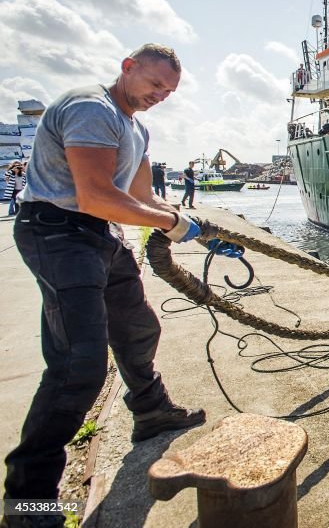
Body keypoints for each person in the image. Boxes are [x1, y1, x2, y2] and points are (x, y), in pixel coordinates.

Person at [2, 44, 208, 526]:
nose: (161, 94)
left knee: (137, 327)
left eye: (169, 90)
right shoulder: (92, 108)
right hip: (57, 231)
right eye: (155, 83)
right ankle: (28, 502)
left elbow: (137, 197)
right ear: (128, 67)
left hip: (98, 234)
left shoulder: (137, 127)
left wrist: (173, 215)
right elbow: (95, 195)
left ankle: (152, 411)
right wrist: (167, 221)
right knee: (78, 365)